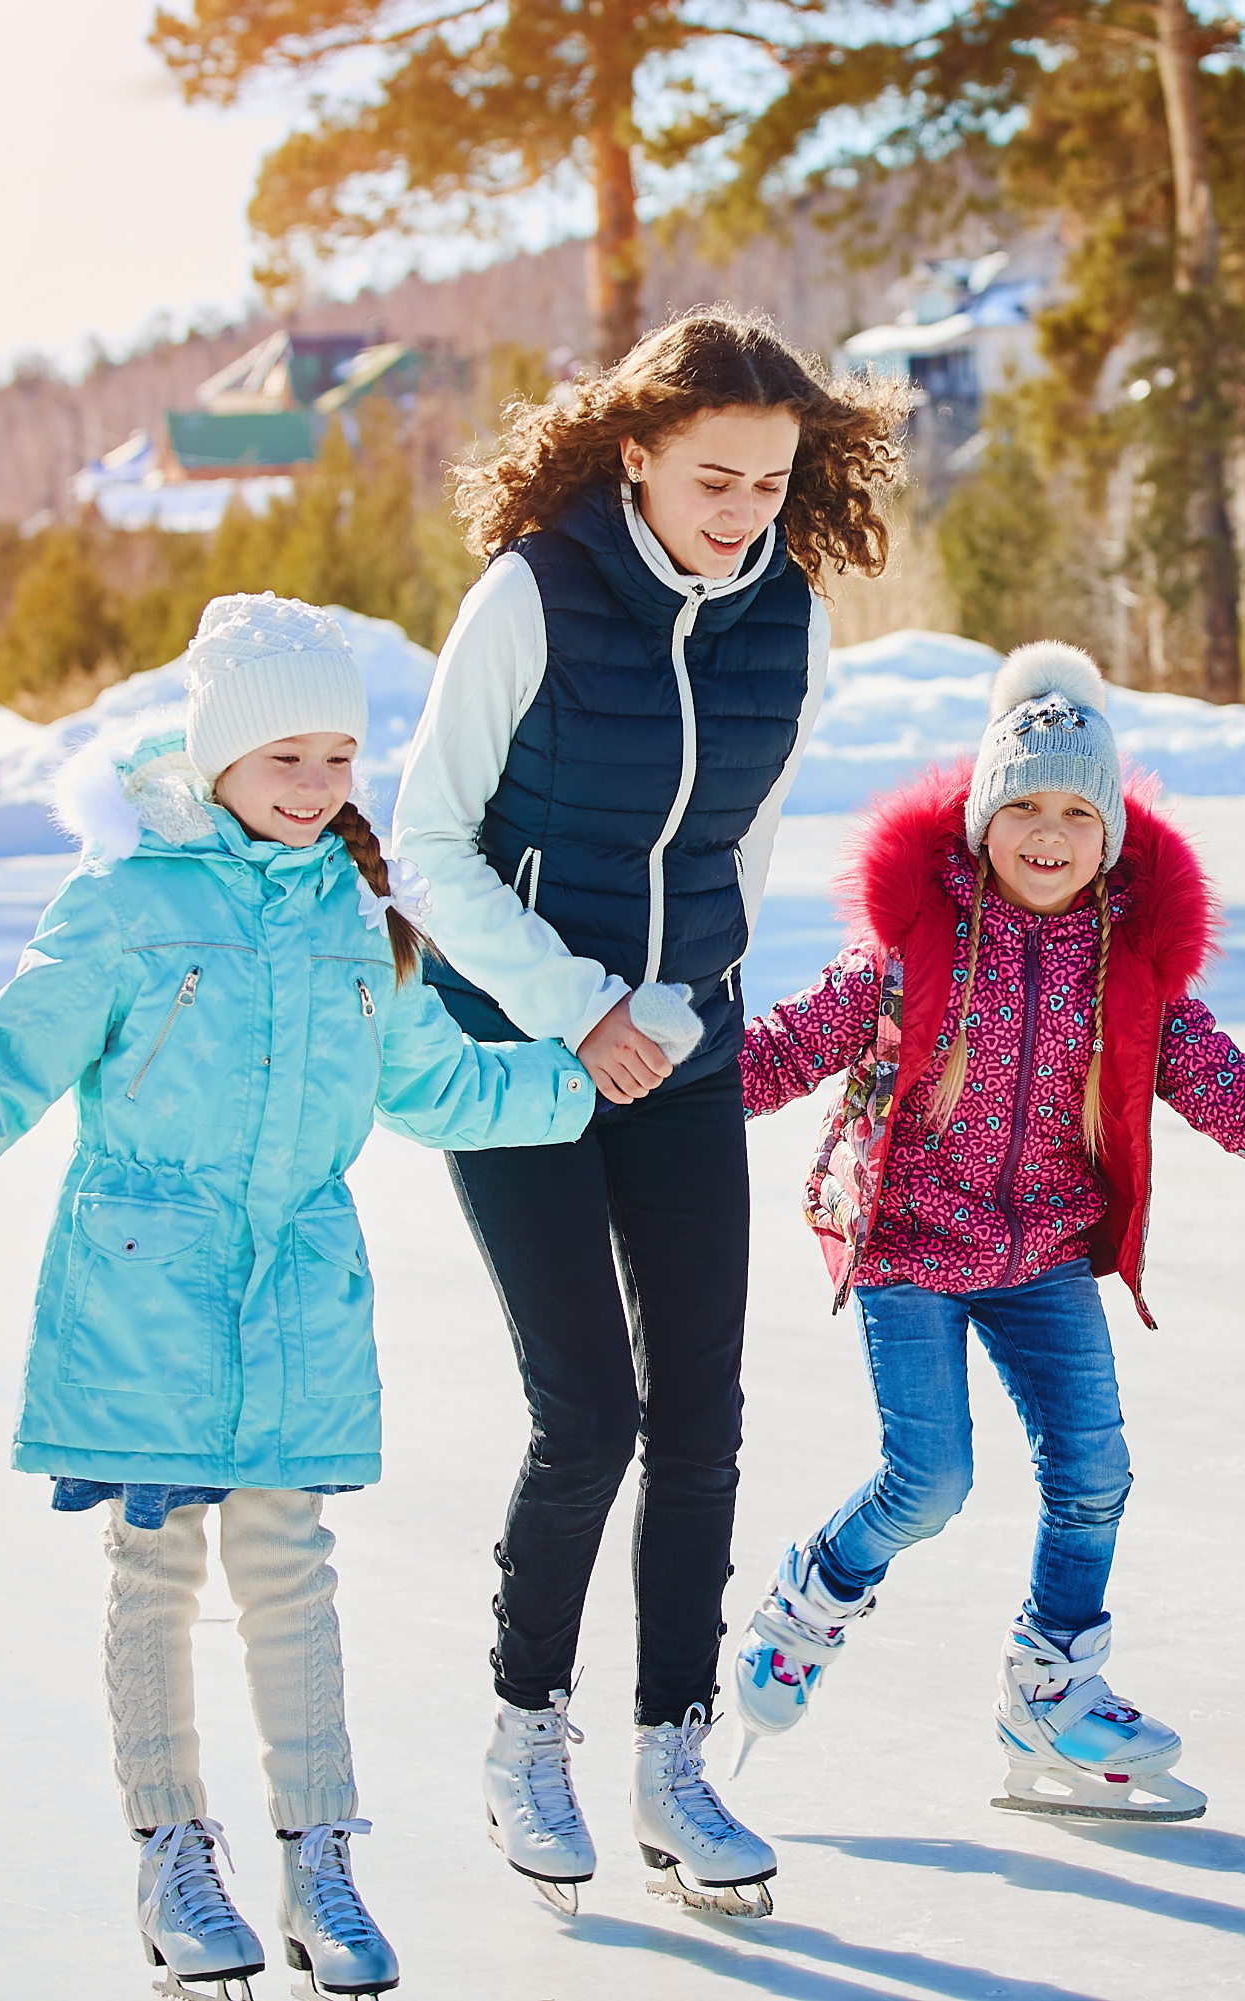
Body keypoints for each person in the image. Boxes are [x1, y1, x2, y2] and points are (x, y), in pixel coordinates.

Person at [0, 595, 594, 1999]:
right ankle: (174, 1848)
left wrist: (597, 1078)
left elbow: (444, 1089)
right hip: (142, 1299)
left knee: (292, 1574)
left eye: (338, 759)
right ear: (220, 756)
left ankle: (322, 1858)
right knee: (159, 1571)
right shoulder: (123, 904)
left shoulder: (364, 920)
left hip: (297, 1294)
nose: (315, 788)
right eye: (286, 756)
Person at [389, 306, 909, 1919]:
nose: (744, 509)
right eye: (712, 477)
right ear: (636, 455)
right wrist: (576, 1007)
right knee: (590, 1414)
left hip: (677, 1044)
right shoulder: (534, 594)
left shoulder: (791, 621)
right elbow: (426, 843)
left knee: (703, 1413)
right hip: (523, 1053)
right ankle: (521, 1729)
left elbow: (740, 841)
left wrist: (686, 1001)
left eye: (768, 480)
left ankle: (673, 1753)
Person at [726, 642, 1245, 1823]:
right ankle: (813, 1598)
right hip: (912, 1246)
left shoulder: (1130, 969)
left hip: (1042, 1252)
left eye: (1074, 813)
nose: (1047, 835)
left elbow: (1224, 1085)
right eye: (1023, 809)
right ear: (982, 818)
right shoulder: (915, 947)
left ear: (1111, 833)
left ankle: (1052, 1689)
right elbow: (792, 1043)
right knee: (929, 1480)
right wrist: (664, 1100)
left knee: (1095, 1472)